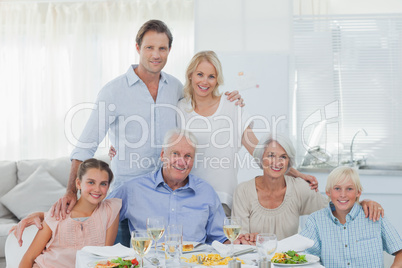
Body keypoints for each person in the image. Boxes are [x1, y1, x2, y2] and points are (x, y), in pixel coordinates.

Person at [54, 20, 243, 222]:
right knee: (123, 254)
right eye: (149, 48)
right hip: (127, 201)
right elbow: (85, 145)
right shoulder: (113, 92)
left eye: (162, 48)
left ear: (169, 50)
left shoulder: (176, 88)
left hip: (168, 200)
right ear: (138, 48)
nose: (156, 55)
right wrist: (71, 192)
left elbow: (200, 109)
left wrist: (228, 99)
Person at [109, 50, 319, 216]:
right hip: (186, 199)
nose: (205, 81)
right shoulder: (180, 108)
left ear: (217, 80)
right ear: (190, 75)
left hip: (223, 200)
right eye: (200, 74)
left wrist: (297, 174)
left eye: (211, 76)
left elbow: (260, 153)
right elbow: (161, 140)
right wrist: (118, 145)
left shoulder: (231, 106)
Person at [232, 133, 384, 243]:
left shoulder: (298, 188)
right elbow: (240, 239)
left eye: (283, 157)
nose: (276, 162)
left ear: (288, 162)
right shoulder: (243, 191)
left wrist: (363, 203)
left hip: (290, 263)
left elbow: (335, 208)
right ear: (261, 159)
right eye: (271, 155)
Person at [107, 128, 228, 244]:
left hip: (193, 263)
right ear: (162, 155)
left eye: (188, 156)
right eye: (175, 153)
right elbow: (98, 215)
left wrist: (240, 241)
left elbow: (222, 239)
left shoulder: (206, 192)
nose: (181, 162)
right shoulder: (134, 189)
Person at [18, 159, 121, 268]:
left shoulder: (111, 210)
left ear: (108, 187)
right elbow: (28, 258)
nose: (97, 189)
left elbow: (105, 257)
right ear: (78, 183)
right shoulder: (57, 214)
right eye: (91, 182)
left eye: (103, 184)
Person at [300, 166, 402, 268]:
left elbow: (400, 252)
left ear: (358, 192)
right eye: (337, 188)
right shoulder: (316, 220)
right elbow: (306, 259)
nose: (343, 194)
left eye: (349, 189)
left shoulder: (374, 215)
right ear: (328, 192)